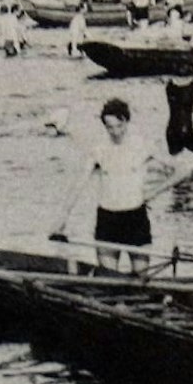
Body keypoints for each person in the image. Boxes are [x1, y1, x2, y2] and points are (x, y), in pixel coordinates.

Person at [52, 98, 180, 272]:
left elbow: (182, 170)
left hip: (136, 219)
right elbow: (78, 185)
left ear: (126, 121)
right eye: (110, 127)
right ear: (104, 126)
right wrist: (62, 220)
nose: (115, 132)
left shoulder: (142, 146)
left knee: (141, 279)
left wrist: (153, 192)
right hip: (107, 220)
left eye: (119, 126)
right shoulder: (98, 150)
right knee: (109, 278)